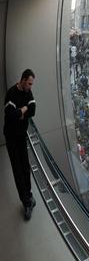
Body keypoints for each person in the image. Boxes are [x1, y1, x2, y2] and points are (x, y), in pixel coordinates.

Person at [4, 69, 36, 220]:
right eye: (29, 83)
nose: (30, 86)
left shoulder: (28, 92)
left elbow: (33, 110)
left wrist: (20, 112)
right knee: (17, 170)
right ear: (23, 80)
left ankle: (28, 195)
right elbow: (11, 116)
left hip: (21, 136)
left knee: (25, 167)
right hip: (11, 138)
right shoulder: (11, 94)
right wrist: (23, 109)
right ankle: (26, 203)